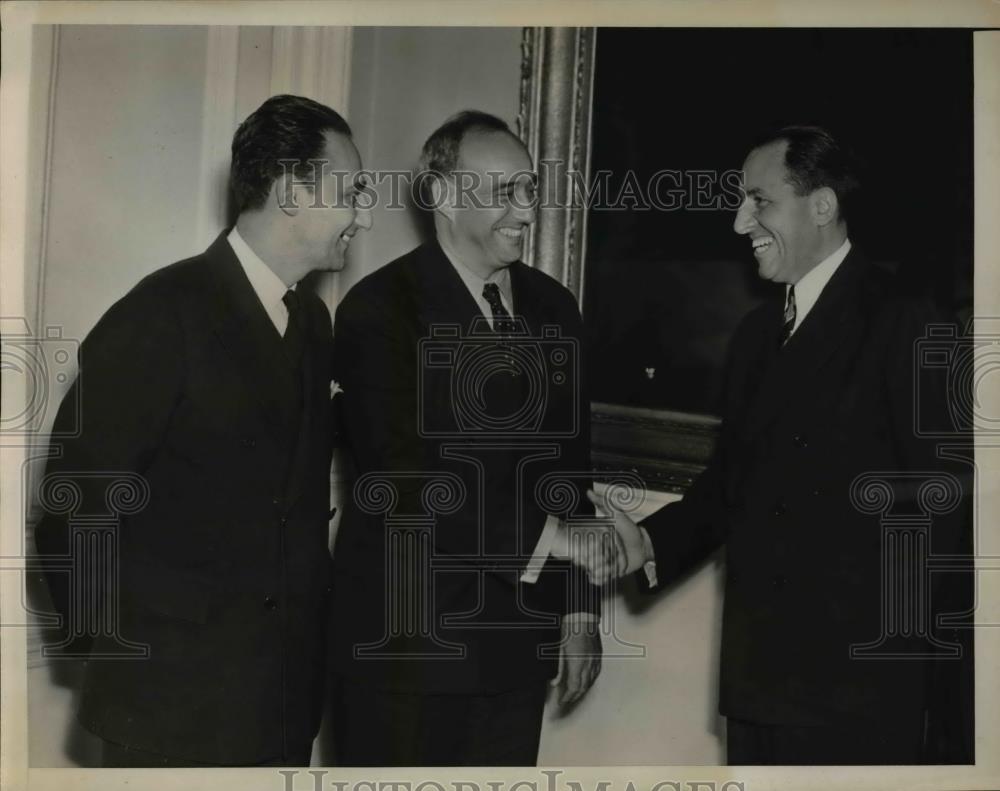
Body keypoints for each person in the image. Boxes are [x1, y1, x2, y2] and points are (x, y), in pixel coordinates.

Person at [591, 125, 972, 765]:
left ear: (821, 205)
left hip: (859, 693)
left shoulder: (903, 318)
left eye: (759, 201)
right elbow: (730, 485)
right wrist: (649, 542)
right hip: (759, 680)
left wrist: (924, 687)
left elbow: (945, 509)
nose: (740, 222)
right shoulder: (755, 335)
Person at [34, 94, 372, 767]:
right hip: (170, 714)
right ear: (292, 192)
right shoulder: (163, 311)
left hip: (280, 709)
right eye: (352, 192)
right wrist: (125, 657)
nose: (363, 216)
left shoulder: (313, 324)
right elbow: (73, 507)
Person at [329, 110, 602, 766]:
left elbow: (569, 469)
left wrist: (579, 610)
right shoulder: (378, 309)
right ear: (444, 196)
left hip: (516, 651)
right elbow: (406, 478)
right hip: (405, 654)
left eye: (530, 188)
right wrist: (553, 541)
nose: (526, 210)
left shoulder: (555, 307)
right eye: (505, 191)